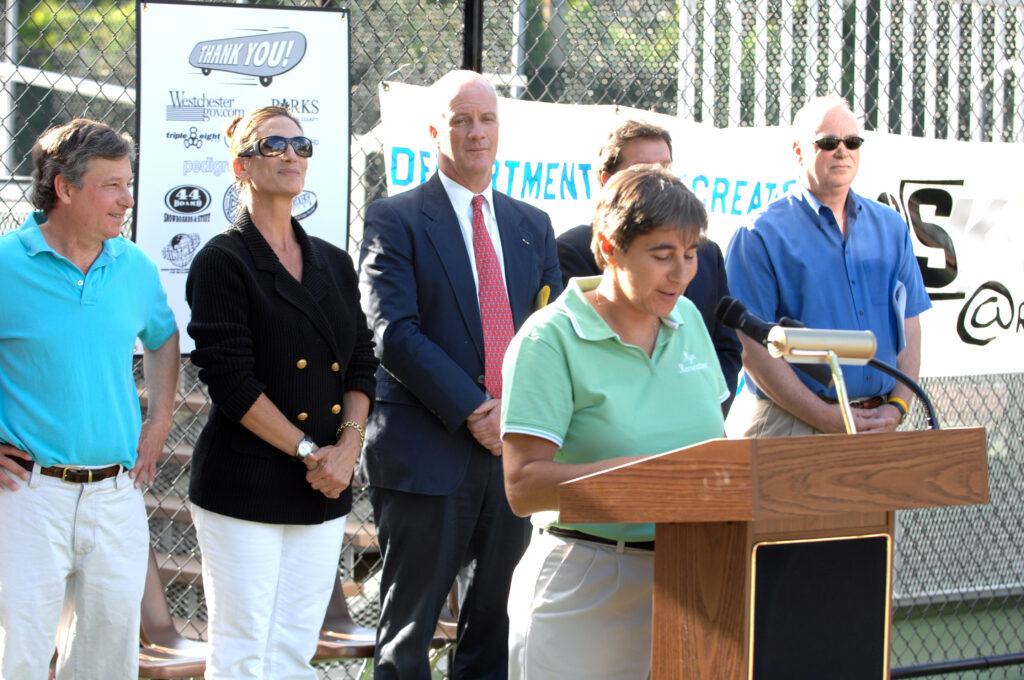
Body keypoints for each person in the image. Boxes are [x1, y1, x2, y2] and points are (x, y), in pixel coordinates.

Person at [358, 70, 562, 680]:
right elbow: (392, 332)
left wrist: (520, 413)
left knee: (497, 629)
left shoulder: (533, 225)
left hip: (515, 455)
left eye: (487, 119)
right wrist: (478, 409)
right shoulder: (394, 219)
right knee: (408, 636)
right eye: (460, 119)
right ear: (432, 131)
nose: (476, 133)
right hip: (428, 452)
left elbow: (548, 334)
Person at [501, 165, 728, 678]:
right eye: (662, 254)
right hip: (587, 581)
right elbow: (523, 486)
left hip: (697, 580)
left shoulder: (689, 319)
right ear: (608, 247)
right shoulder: (547, 341)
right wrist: (643, 480)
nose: (681, 273)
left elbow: (713, 445)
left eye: (690, 255)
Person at [184, 106, 378, 679]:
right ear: (241, 165)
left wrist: (347, 449)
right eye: (275, 145)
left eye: (301, 144)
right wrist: (307, 452)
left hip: (325, 484)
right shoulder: (222, 260)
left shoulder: (335, 263)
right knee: (244, 649)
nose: (292, 154)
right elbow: (231, 382)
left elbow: (362, 363)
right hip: (247, 482)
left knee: (292, 646)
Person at [0, 119, 180, 679]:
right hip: (25, 493)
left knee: (106, 663)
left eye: (128, 184)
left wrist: (160, 419)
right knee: (18, 657)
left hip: (116, 495)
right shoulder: (5, 263)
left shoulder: (135, 266)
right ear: (64, 187)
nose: (127, 200)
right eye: (112, 185)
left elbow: (163, 336)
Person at [725, 95, 930, 437]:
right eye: (827, 142)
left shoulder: (891, 228)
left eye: (852, 142)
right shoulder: (759, 235)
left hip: (877, 423)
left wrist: (898, 406)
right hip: (789, 424)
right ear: (798, 150)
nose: (842, 150)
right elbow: (752, 347)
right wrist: (823, 416)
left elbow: (909, 327)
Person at [556, 119, 742, 414]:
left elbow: (726, 348)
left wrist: (707, 411)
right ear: (607, 181)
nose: (661, 180)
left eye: (665, 167)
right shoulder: (572, 251)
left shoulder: (707, 255)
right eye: (644, 169)